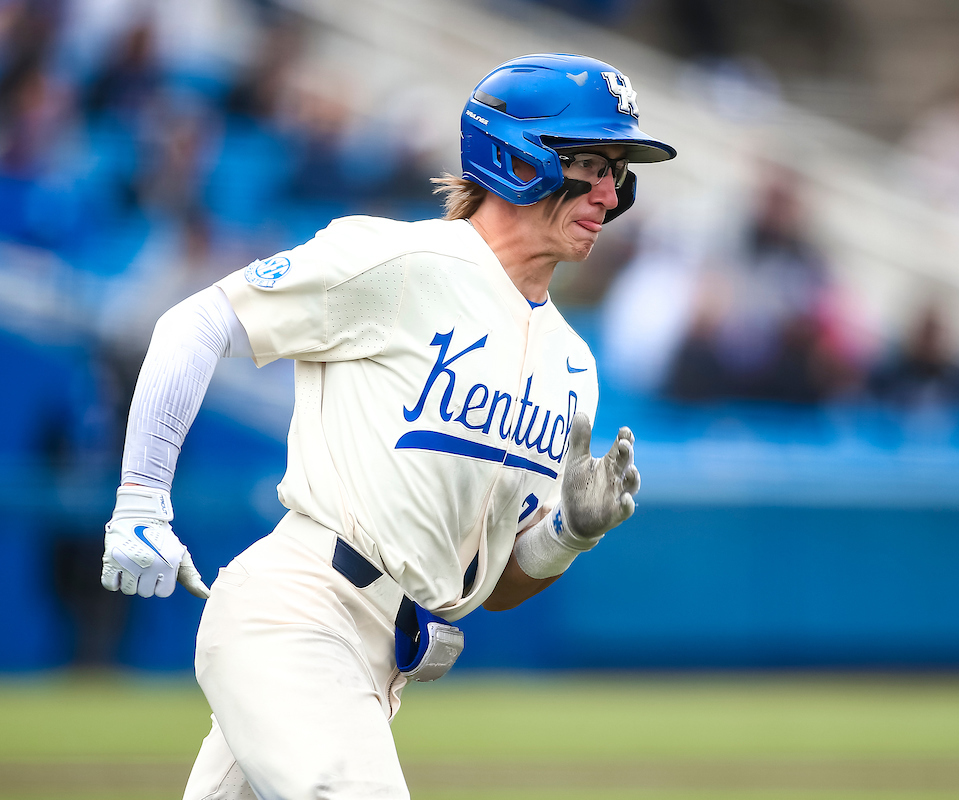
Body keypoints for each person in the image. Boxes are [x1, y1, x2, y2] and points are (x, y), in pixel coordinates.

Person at [99, 53, 675, 799]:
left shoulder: (573, 366)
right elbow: (196, 321)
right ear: (516, 155)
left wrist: (569, 534)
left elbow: (493, 584)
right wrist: (142, 495)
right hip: (297, 612)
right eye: (593, 161)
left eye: (618, 171)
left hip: (380, 663)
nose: (611, 191)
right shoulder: (402, 261)